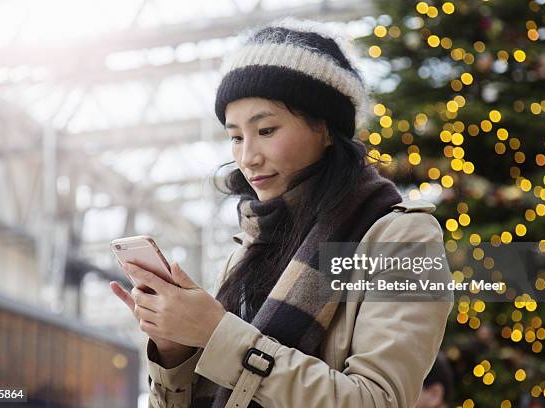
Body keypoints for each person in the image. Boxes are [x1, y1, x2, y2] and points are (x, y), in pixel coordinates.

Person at [110, 18, 453, 408]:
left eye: (267, 130)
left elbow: (378, 401)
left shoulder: (403, 238)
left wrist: (216, 333)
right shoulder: (251, 248)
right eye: (235, 136)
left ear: (324, 128)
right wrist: (175, 351)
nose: (247, 157)